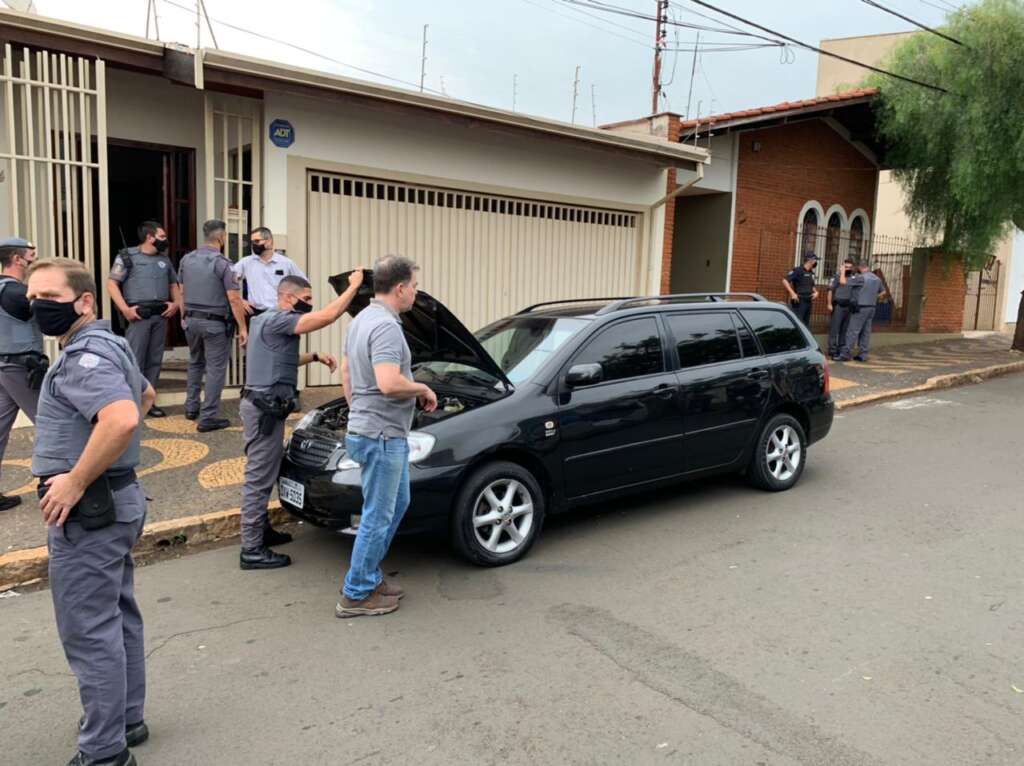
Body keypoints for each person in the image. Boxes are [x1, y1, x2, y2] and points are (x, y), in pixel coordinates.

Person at [26, 257, 156, 766]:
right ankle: (126, 719)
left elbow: (123, 416)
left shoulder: (85, 355)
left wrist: (77, 478)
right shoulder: (112, 343)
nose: (37, 307)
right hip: (116, 500)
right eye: (31, 297)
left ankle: (104, 752)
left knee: (89, 629)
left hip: (91, 509)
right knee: (117, 615)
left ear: (84, 302)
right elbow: (144, 395)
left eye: (50, 299)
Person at [238, 271, 364, 570]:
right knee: (258, 478)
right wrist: (354, 288)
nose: (309, 304)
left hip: (262, 407)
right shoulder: (280, 319)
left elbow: (280, 358)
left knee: (267, 470)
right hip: (264, 410)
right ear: (288, 297)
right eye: (306, 299)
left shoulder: (263, 321)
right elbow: (328, 316)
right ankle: (251, 549)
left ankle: (260, 532)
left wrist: (315, 356)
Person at [337, 256, 437, 618]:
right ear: (399, 288)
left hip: (371, 430)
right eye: (413, 286)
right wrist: (422, 388)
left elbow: (347, 372)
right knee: (378, 515)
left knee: (395, 505)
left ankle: (369, 575)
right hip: (381, 436)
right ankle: (356, 593)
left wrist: (358, 413)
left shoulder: (362, 318)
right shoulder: (387, 327)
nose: (415, 292)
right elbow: (389, 383)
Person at [178, 219, 248, 432]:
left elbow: (181, 291)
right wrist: (243, 328)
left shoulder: (186, 260)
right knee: (216, 369)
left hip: (191, 320)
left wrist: (183, 317)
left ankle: (191, 408)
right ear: (221, 237)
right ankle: (208, 417)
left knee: (195, 362)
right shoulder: (223, 263)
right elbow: (235, 299)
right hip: (215, 324)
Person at [107, 221, 181, 417]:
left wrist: (176, 304)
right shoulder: (127, 256)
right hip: (139, 314)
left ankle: (150, 401)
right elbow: (112, 284)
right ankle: (131, 402)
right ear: (150, 237)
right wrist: (125, 310)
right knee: (135, 359)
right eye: (162, 237)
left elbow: (174, 285)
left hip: (161, 315)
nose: (166, 240)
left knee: (155, 360)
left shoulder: (164, 260)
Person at [0, 237, 45, 512]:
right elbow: (50, 320)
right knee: (54, 422)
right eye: (31, 255)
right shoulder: (18, 293)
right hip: (20, 367)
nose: (34, 260)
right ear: (17, 259)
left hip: (4, 366)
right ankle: (57, 484)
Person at [233, 227, 308, 318]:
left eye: (257, 241)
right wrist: (239, 300)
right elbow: (228, 281)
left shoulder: (286, 263)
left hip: (281, 314)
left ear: (269, 241)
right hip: (256, 314)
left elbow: (304, 285)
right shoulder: (246, 262)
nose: (253, 245)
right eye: (252, 242)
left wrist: (294, 305)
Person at [839, 261, 888, 362]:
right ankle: (863, 354)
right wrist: (874, 297)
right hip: (871, 308)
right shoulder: (876, 278)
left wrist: (843, 271)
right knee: (866, 331)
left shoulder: (861, 277)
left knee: (852, 331)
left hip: (861, 307)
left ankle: (846, 354)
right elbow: (883, 292)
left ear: (860, 268)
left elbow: (843, 282)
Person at [827, 258, 855, 360]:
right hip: (838, 306)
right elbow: (830, 291)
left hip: (848, 307)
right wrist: (829, 304)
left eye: (850, 267)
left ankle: (841, 349)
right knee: (835, 329)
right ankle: (832, 350)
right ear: (842, 266)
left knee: (844, 330)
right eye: (846, 267)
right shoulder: (836, 277)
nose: (848, 269)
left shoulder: (853, 277)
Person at [783, 253, 819, 328]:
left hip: (809, 301)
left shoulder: (811, 272)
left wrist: (816, 292)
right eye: (815, 260)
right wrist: (792, 293)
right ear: (810, 260)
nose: (816, 262)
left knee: (805, 325)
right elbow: (785, 281)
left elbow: (811, 285)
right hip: (799, 301)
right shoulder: (798, 270)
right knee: (798, 324)